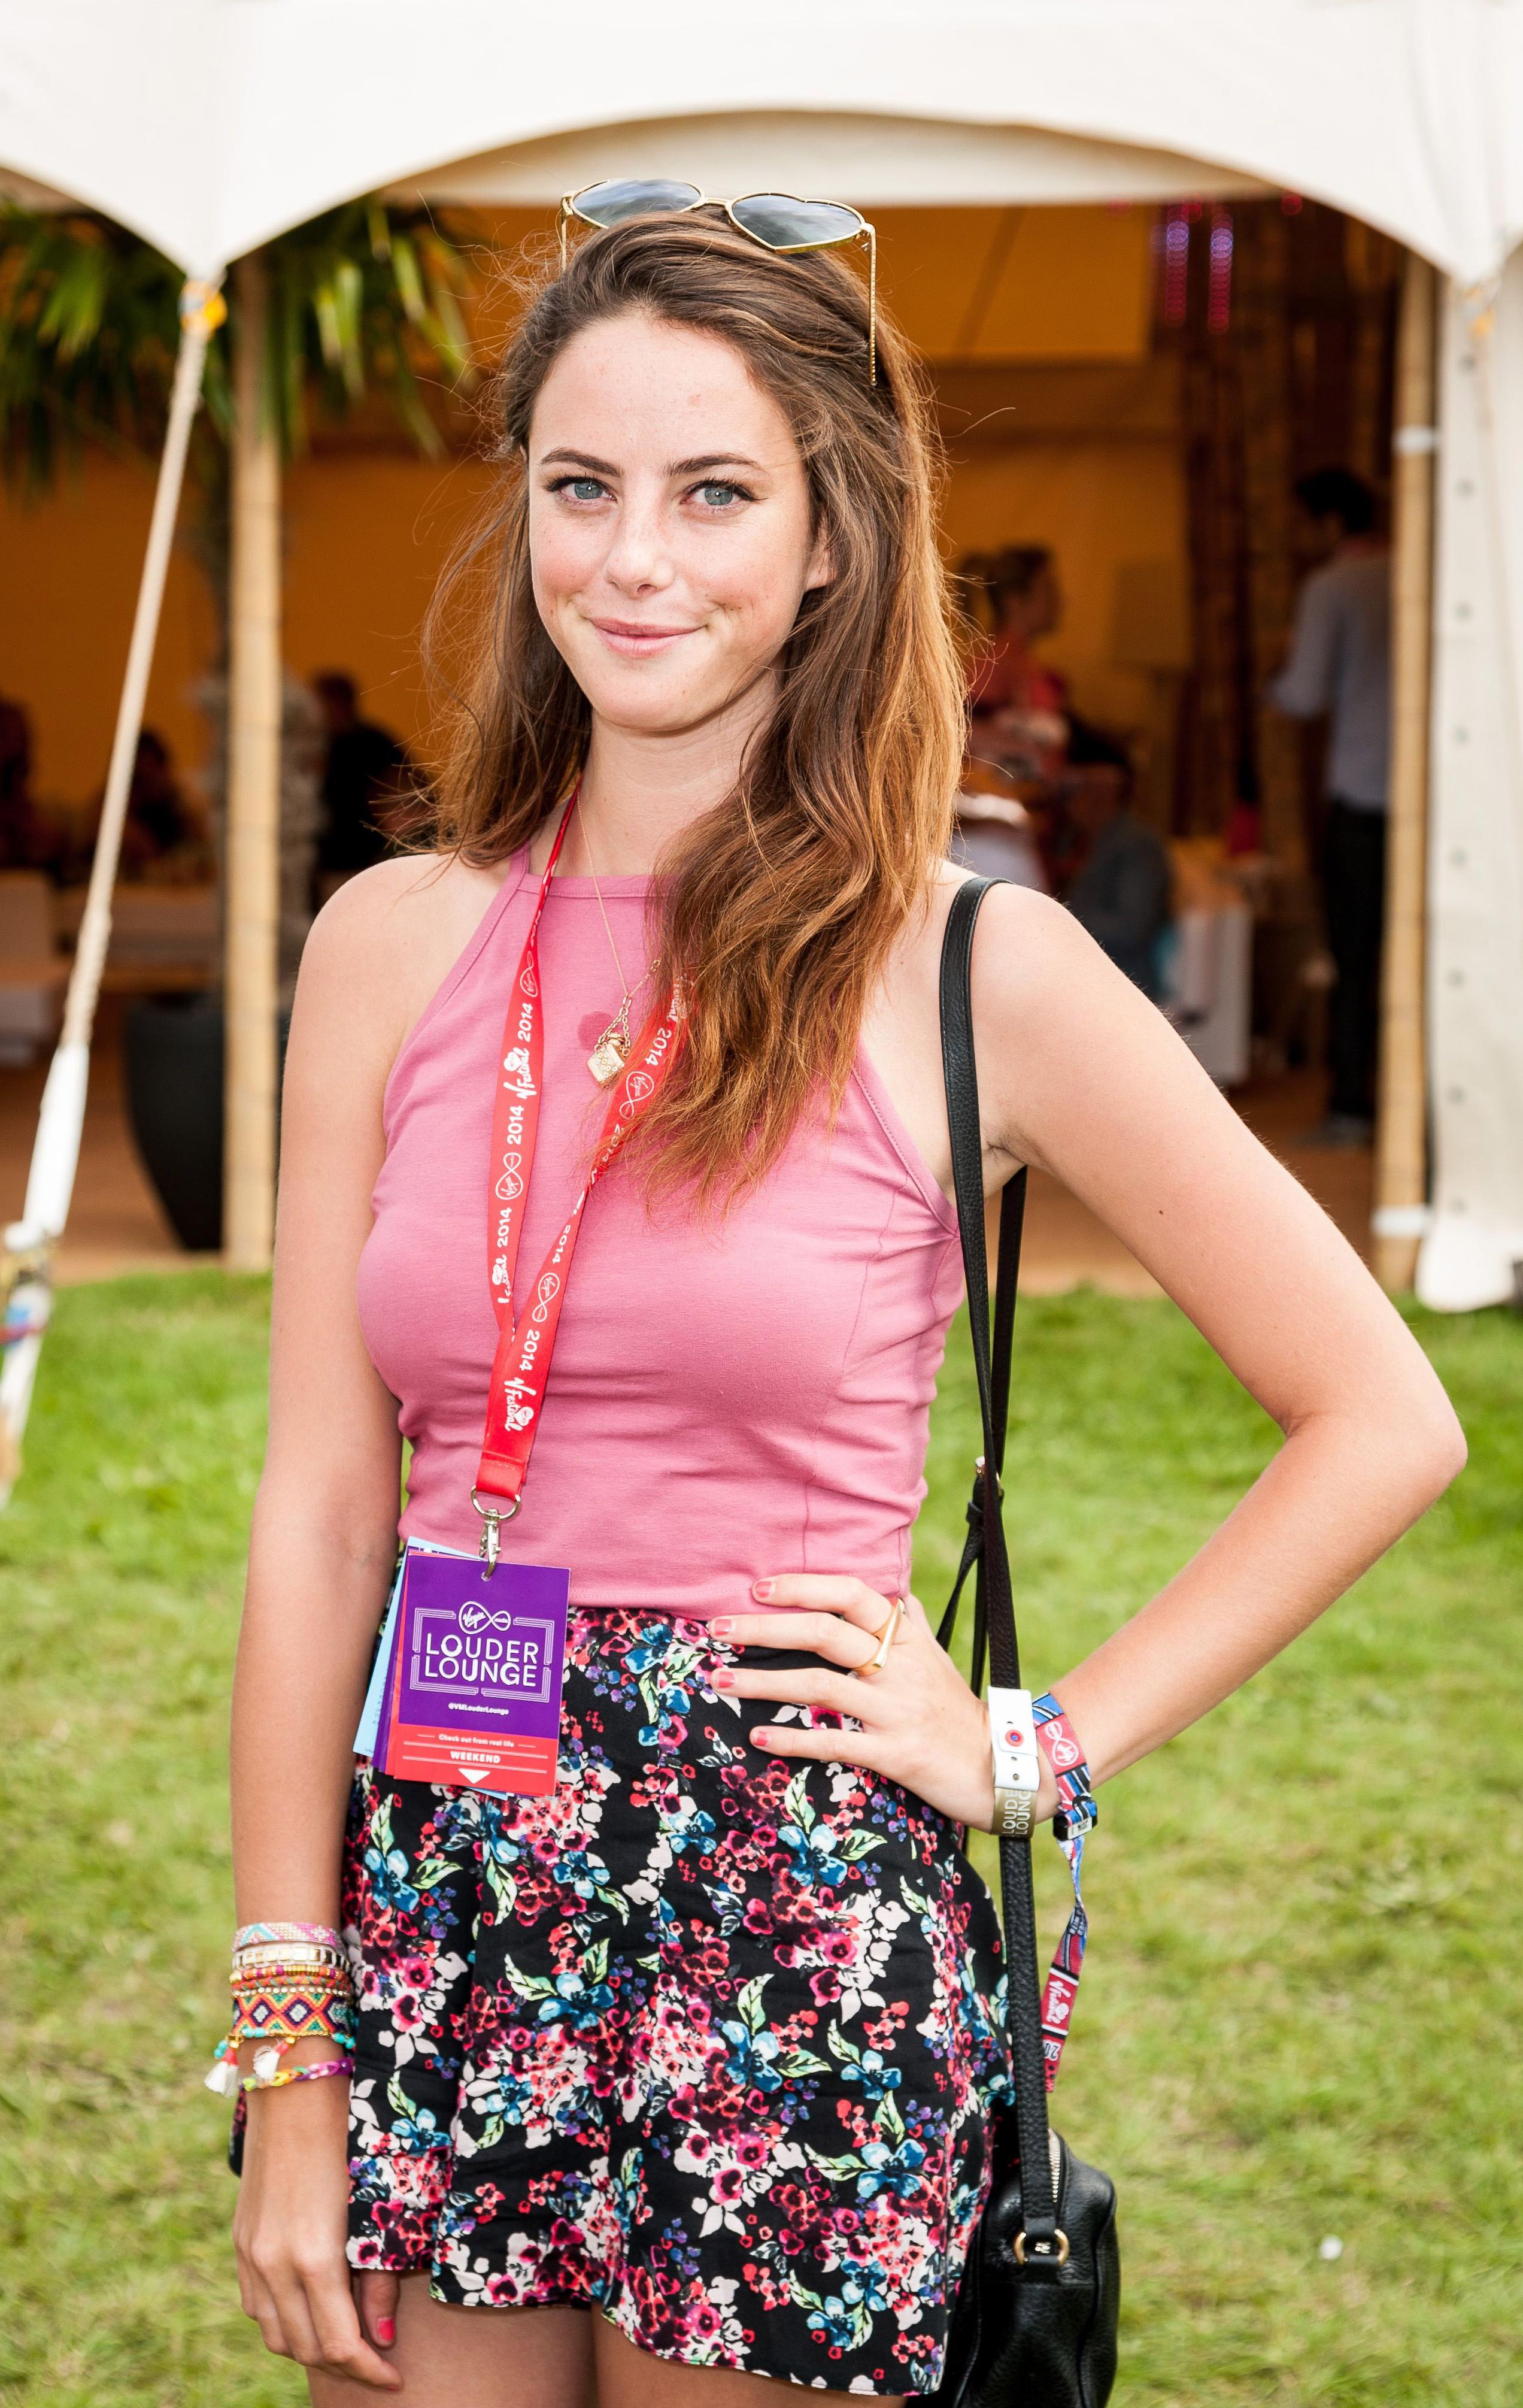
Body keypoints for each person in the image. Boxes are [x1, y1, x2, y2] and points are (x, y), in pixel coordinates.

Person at [226, 208, 1464, 2406]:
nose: (633, 559)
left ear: (828, 541)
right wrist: (285, 2032)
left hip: (787, 1896)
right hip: (441, 1859)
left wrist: (1031, 1743)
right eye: (580, 485)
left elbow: (1381, 1412)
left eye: (714, 492)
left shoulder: (973, 965)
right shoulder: (388, 941)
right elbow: (323, 1516)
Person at [1267, 467, 1391, 1143]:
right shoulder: (1413, 573)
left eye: (1304, 523)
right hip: (1426, 801)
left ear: (1331, 522)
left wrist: (1274, 680)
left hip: (1361, 790)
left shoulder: (1332, 587)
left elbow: (1305, 692)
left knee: (1354, 953)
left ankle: (1351, 1106)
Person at [1061, 734, 1172, 999]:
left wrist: (1054, 921)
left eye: (1079, 789)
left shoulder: (1137, 847)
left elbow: (1130, 928)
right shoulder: (1081, 839)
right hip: (1086, 974)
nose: (1070, 800)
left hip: (1121, 985)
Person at [963, 544, 1069, 781]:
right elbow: (961, 730)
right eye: (1048, 589)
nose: (1059, 600)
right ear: (1014, 600)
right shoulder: (995, 659)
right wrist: (1024, 750)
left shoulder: (1023, 660)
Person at [314, 674, 413, 889]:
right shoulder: (316, 744)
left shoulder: (373, 743)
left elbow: (404, 792)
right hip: (327, 858)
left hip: (369, 857)